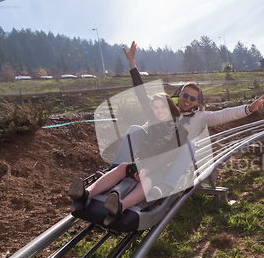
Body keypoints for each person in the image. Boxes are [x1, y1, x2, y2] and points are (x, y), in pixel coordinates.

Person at [121, 41, 264, 199]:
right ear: (180, 94)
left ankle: (166, 184)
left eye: (192, 98)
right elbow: (143, 96)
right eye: (185, 95)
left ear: (197, 102)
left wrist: (249, 109)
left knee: (188, 145)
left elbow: (224, 114)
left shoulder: (200, 117)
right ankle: (116, 168)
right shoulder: (166, 109)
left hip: (173, 160)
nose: (187, 100)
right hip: (153, 151)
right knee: (136, 129)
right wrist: (132, 65)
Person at [69, 91, 189, 225]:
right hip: (146, 163)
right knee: (122, 167)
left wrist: (146, 171)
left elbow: (166, 157)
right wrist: (140, 167)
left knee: (147, 181)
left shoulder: (181, 131)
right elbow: (142, 95)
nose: (159, 111)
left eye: (163, 107)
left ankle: (120, 206)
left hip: (163, 168)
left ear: (170, 107)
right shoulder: (153, 123)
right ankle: (86, 194)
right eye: (155, 107)